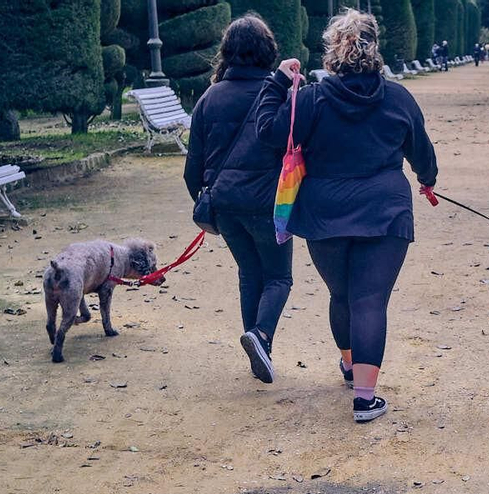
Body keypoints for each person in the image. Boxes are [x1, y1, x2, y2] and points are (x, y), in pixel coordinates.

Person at [255, 10, 438, 423]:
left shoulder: (314, 98)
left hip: (325, 211)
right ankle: (365, 397)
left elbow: (268, 134)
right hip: (385, 210)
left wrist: (278, 83)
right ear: (375, 48)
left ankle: (351, 365)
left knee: (342, 296)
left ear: (331, 53)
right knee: (370, 300)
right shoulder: (398, 98)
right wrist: (427, 180)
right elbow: (422, 153)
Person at [184, 14, 289, 384]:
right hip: (270, 204)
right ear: (267, 51)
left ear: (227, 52)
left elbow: (191, 167)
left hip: (225, 205)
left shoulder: (209, 98)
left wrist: (206, 201)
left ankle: (257, 350)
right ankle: (260, 337)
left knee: (249, 273)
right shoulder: (278, 94)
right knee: (278, 277)